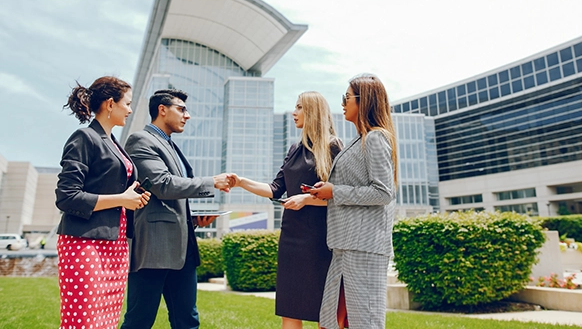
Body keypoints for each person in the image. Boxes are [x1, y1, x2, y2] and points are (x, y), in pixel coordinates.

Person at [227, 91, 343, 329]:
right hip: (291, 236)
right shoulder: (294, 149)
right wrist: (241, 181)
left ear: (313, 112)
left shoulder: (333, 147)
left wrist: (306, 200)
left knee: (325, 309)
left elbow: (341, 197)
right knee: (290, 307)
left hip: (321, 239)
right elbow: (275, 189)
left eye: (299, 107)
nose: (294, 112)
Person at [121, 89, 232, 329]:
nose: (187, 116)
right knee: (139, 321)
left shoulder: (170, 145)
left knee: (187, 320)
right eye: (181, 109)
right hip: (154, 248)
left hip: (183, 250)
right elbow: (162, 185)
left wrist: (194, 219)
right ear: (162, 109)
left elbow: (173, 196)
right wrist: (211, 182)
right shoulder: (141, 140)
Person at [55, 76, 151, 329]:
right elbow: (67, 196)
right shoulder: (84, 138)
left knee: (107, 322)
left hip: (116, 245)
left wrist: (133, 198)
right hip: (84, 244)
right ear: (110, 104)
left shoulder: (115, 144)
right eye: (127, 104)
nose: (130, 110)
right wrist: (122, 199)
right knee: (85, 322)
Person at [309, 74, 398, 329]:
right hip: (345, 247)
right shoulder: (360, 140)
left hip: (363, 248)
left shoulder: (375, 138)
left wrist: (334, 191)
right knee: (331, 323)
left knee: (364, 323)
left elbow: (383, 192)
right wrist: (326, 192)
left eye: (346, 98)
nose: (342, 104)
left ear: (365, 101)